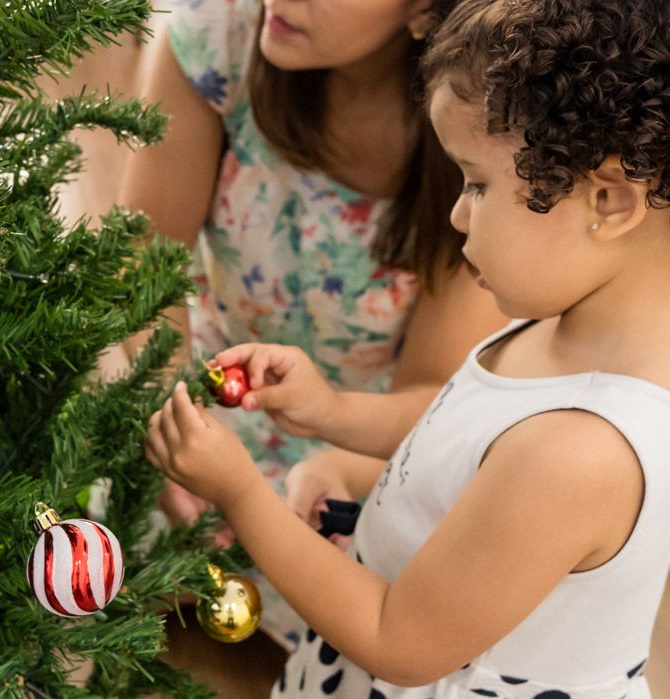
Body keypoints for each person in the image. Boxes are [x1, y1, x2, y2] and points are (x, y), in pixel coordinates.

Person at [146, 0, 670, 695]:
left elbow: (397, 638)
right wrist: (331, 414)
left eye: (479, 185)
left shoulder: (581, 452)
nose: (456, 213)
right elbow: (459, 435)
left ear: (609, 202)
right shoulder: (562, 325)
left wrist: (240, 490)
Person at [120, 0, 507, 674]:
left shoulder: (477, 135)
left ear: (425, 10)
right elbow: (141, 273)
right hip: (205, 390)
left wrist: (331, 461)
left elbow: (431, 403)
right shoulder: (218, 33)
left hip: (362, 456)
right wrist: (174, 413)